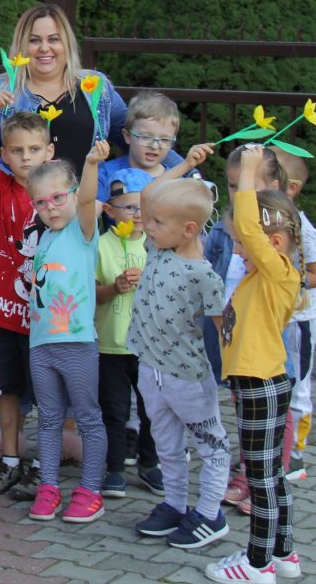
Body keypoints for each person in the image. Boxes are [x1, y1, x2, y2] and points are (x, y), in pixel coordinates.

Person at [205, 144, 305, 583]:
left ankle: (257, 563)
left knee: (261, 477)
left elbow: (249, 219)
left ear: (273, 242)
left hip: (260, 383)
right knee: (270, 474)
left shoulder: (276, 271)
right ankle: (283, 553)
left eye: (244, 244)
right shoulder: (260, 278)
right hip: (259, 383)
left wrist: (247, 170)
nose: (239, 250)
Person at [126, 161, 233, 554]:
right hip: (151, 370)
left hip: (187, 376)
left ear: (188, 229)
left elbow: (225, 325)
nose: (148, 225)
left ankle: (210, 514)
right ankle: (174, 504)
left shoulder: (204, 275)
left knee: (210, 443)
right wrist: (185, 166)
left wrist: (236, 369)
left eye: (157, 222)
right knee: (167, 443)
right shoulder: (156, 249)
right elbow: (148, 195)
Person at [0, 97, 54, 500]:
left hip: (44, 319)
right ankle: (11, 461)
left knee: (47, 394)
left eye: (35, 149)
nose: (26, 157)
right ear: (3, 154)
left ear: (49, 152)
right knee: (9, 391)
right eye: (17, 150)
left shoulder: (57, 194)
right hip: (2, 313)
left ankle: (44, 466)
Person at [25, 142, 110, 524]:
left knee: (88, 418)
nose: (51, 207)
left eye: (58, 198)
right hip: (41, 346)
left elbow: (89, 199)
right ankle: (49, 487)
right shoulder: (44, 238)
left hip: (76, 344)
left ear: (73, 194)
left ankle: (90, 491)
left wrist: (90, 163)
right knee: (48, 419)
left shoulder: (82, 230)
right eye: (41, 202)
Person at [0, 4, 137, 176]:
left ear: (67, 44)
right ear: (22, 46)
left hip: (87, 193)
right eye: (34, 40)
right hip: (24, 193)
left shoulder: (96, 86)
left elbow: (138, 141)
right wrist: (20, 188)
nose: (44, 48)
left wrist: (118, 179)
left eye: (54, 39)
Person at [94, 168, 162, 499]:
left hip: (149, 346)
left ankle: (149, 463)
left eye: (142, 208)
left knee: (152, 410)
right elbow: (92, 294)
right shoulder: (100, 245)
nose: (137, 215)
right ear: (109, 210)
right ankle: (115, 468)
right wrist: (114, 287)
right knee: (114, 410)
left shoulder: (159, 245)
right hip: (111, 346)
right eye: (129, 207)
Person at [271, 150, 316, 480]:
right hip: (272, 318)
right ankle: (272, 449)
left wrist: (285, 279)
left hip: (298, 321)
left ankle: (294, 455)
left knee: (297, 386)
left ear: (290, 188)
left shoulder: (301, 227)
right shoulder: (263, 223)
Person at [96, 91, 201, 204]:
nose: (155, 146)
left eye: (164, 140)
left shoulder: (178, 183)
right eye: (145, 137)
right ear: (127, 136)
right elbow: (91, 212)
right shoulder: (106, 173)